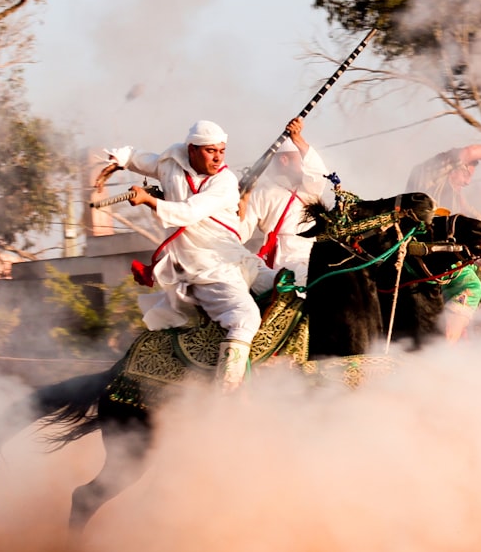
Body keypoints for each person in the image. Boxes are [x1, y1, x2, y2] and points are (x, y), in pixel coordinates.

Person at [94, 120, 278, 393]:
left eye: (221, 151)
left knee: (291, 285)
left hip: (235, 258)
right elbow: (136, 157)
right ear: (191, 149)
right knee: (246, 317)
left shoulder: (225, 181)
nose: (218, 157)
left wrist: (149, 201)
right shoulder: (170, 163)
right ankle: (226, 395)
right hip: (203, 268)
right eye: (210, 151)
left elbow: (190, 212)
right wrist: (118, 161)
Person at [239, 116, 328, 287]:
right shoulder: (261, 192)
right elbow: (240, 234)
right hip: (281, 262)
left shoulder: (309, 190)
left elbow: (318, 175)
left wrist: (298, 139)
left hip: (311, 255)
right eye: (299, 158)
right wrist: (242, 203)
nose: (304, 164)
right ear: (284, 160)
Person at [406, 141, 481, 220]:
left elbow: (474, 215)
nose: (467, 182)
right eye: (466, 174)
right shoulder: (434, 174)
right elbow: (470, 152)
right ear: (452, 168)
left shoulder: (456, 195)